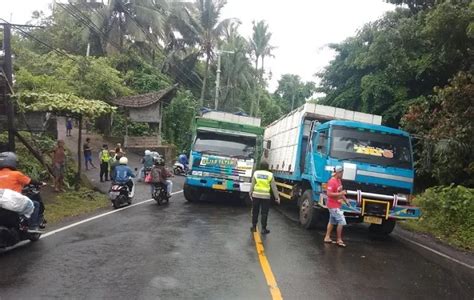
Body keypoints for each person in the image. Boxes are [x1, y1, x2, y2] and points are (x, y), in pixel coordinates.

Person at [0, 152, 45, 233]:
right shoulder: (16, 174)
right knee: (35, 204)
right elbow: (30, 181)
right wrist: (41, 183)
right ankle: (32, 226)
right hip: (13, 201)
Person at [249, 160, 280, 234]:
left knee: (255, 211)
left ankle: (254, 227)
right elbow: (274, 187)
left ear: (260, 167)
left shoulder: (256, 173)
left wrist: (250, 193)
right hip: (266, 197)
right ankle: (263, 229)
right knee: (264, 213)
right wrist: (277, 197)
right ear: (267, 167)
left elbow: (252, 184)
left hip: (256, 195)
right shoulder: (270, 175)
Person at [324, 165, 350, 248]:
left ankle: (327, 237)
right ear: (338, 172)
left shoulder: (339, 181)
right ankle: (339, 239)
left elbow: (341, 192)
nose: (342, 174)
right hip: (332, 205)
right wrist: (340, 194)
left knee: (332, 221)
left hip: (337, 205)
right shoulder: (332, 181)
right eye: (342, 173)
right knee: (341, 221)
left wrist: (346, 200)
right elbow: (329, 194)